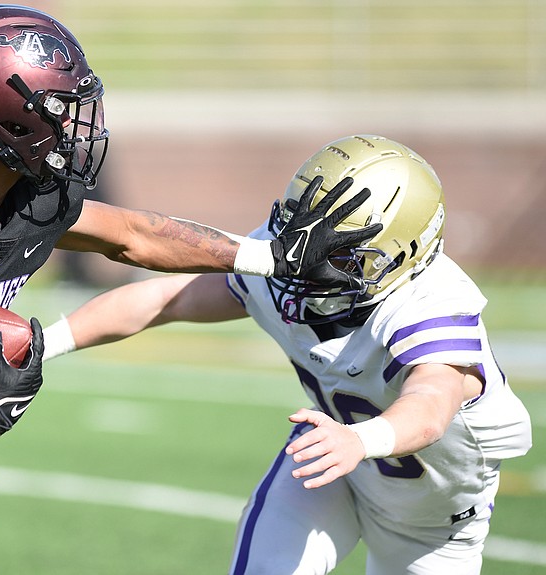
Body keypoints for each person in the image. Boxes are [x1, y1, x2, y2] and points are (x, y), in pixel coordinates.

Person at [0, 6, 378, 575]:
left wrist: (271, 255)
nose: (71, 122)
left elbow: (135, 237)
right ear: (2, 115)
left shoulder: (32, 198)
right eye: (58, 105)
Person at [42, 134, 533, 574]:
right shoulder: (285, 262)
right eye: (306, 236)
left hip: (433, 518)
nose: (311, 267)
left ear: (405, 256)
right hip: (324, 465)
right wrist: (43, 344)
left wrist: (359, 441)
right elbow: (165, 299)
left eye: (340, 256)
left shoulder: (431, 303)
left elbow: (429, 408)